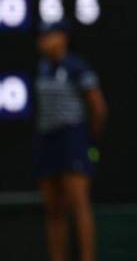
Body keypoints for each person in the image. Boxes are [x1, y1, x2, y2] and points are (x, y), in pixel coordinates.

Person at [34, 20, 108, 261]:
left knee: (78, 204)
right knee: (53, 207)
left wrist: (89, 139)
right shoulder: (42, 68)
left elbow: (98, 108)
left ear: (63, 38)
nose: (44, 41)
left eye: (50, 35)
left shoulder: (77, 67)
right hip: (48, 139)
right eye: (42, 36)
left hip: (73, 139)